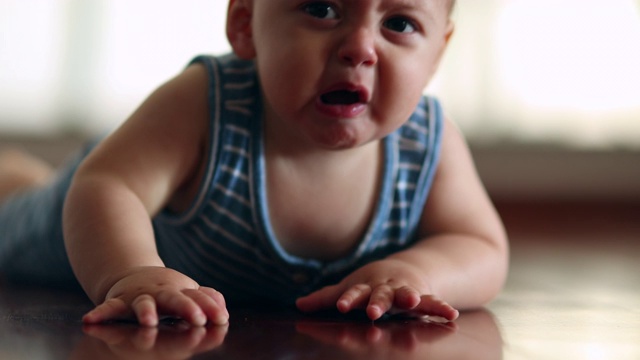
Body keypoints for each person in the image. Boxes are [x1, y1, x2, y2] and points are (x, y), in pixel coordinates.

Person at [0, 0, 508, 327]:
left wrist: (414, 270)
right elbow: (109, 186)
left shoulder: (428, 142)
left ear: (438, 53)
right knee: (16, 215)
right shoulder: (208, 104)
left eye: (398, 23)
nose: (359, 49)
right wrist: (133, 274)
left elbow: (481, 246)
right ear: (245, 24)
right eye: (322, 9)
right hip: (83, 225)